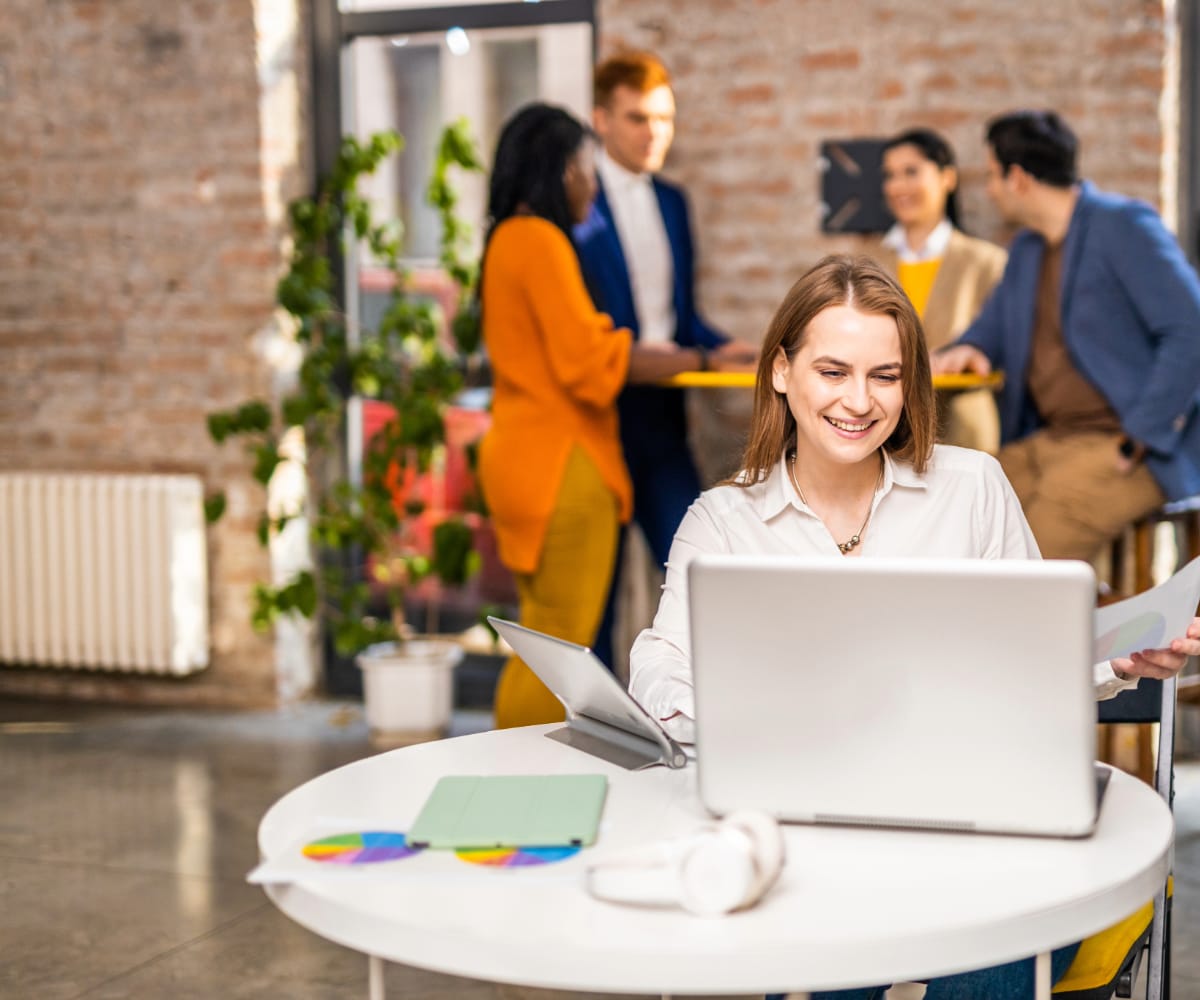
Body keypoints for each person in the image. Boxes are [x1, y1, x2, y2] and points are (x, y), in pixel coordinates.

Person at [628, 254, 1200, 1000]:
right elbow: (658, 668)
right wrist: (762, 722)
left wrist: (1118, 661)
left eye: (885, 376)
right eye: (832, 371)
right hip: (817, 842)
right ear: (780, 372)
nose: (859, 402)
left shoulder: (970, 488)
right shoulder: (724, 523)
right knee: (827, 939)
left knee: (996, 936)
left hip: (987, 834)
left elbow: (1037, 659)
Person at [477, 104, 720, 729]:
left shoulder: (507, 238)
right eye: (586, 169)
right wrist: (685, 357)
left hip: (523, 459)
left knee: (541, 637)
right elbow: (587, 361)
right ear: (562, 173)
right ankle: (511, 785)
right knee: (558, 645)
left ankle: (518, 782)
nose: (592, 184)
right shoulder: (540, 240)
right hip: (563, 467)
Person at [931, 109, 1200, 561]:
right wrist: (969, 347)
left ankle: (1049, 626)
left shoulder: (1124, 225)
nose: (991, 191)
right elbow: (991, 326)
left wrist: (1141, 436)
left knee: (1030, 559)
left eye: (994, 177)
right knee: (963, 510)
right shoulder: (1026, 248)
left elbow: (1190, 329)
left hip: (1124, 445)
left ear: (1018, 178)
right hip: (1048, 439)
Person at [574, 50, 758, 668]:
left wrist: (719, 344)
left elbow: (676, 315)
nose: (654, 133)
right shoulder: (575, 203)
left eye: (664, 119)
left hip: (662, 417)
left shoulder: (674, 202)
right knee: (591, 601)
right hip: (593, 414)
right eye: (636, 118)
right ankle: (590, 739)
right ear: (600, 119)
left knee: (693, 572)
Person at [876, 127, 1007, 452]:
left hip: (963, 432)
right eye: (890, 175)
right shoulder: (868, 263)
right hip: (883, 432)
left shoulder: (987, 263)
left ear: (948, 178)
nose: (897, 185)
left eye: (911, 172)